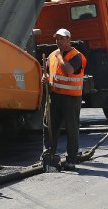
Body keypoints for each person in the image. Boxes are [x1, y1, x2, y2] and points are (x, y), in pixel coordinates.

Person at [42, 28, 86, 171]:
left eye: (62, 38)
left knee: (71, 129)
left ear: (69, 39)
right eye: (57, 38)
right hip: (55, 97)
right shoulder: (51, 56)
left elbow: (68, 70)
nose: (58, 41)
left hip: (71, 99)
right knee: (50, 127)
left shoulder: (76, 56)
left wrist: (60, 56)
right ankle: (49, 156)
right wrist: (44, 78)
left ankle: (71, 159)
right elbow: (48, 73)